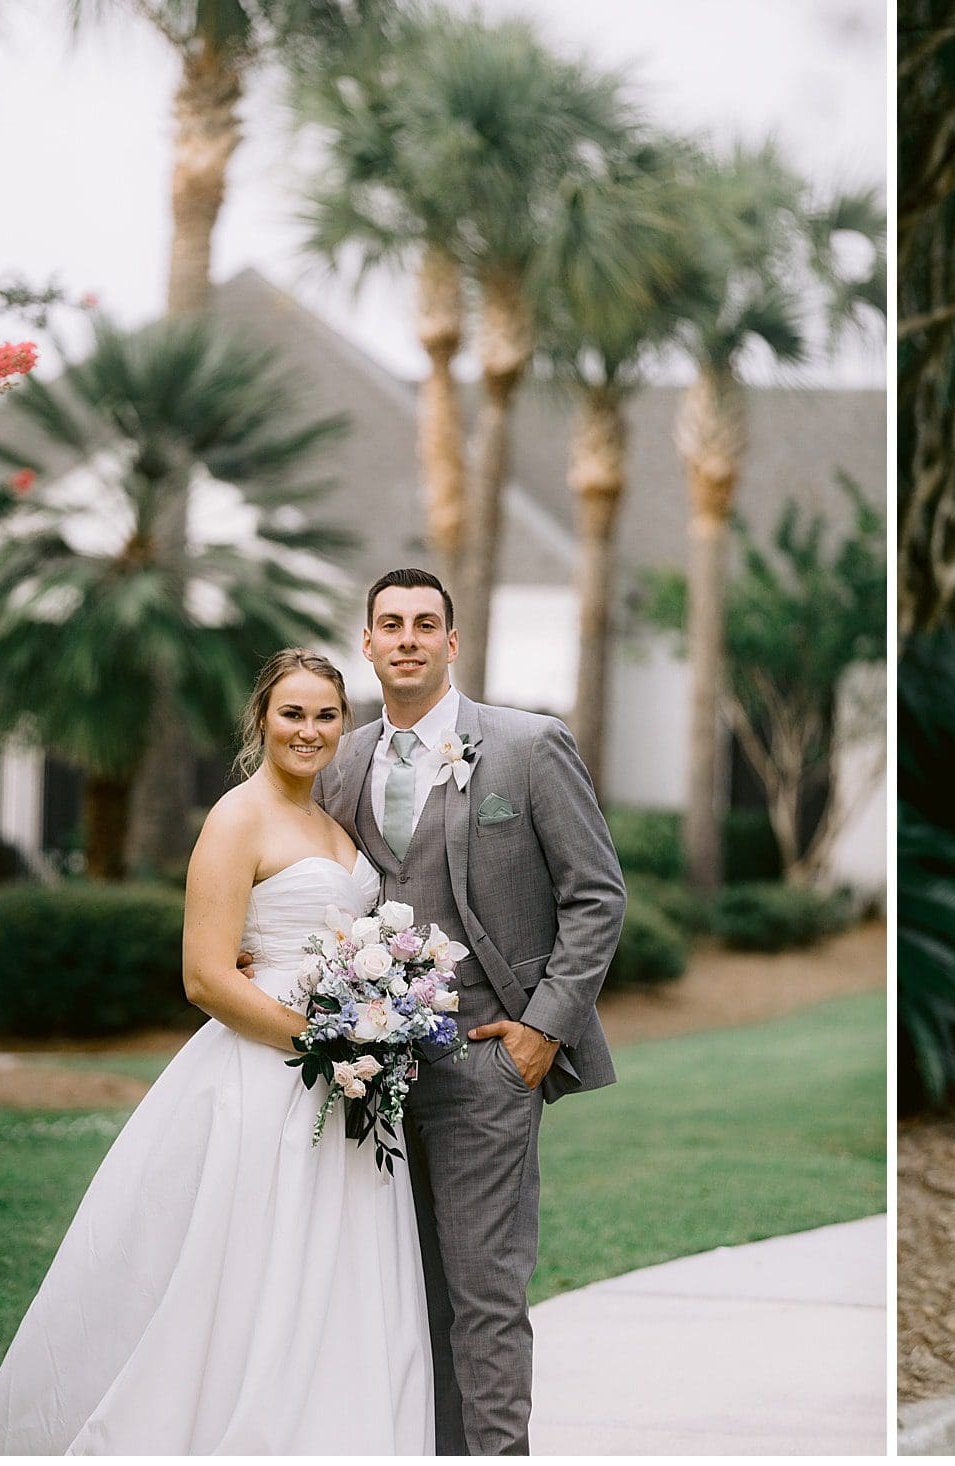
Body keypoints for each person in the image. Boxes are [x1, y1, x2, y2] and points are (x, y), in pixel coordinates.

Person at [0, 650, 434, 1453]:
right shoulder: (236, 817)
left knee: (340, 1277)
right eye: (292, 713)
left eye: (325, 715)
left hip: (348, 1087)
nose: (309, 730)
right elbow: (207, 978)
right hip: (268, 1076)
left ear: (342, 726)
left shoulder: (334, 824)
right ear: (261, 720)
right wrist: (332, 1041)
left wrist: (374, 1027)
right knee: (248, 1270)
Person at [310, 567, 625, 1456]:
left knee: (485, 1297)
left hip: (490, 1065)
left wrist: (540, 1033)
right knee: (404, 1297)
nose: (406, 638)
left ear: (452, 642)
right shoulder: (342, 763)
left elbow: (596, 895)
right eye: (389, 624)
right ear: (366, 644)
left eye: (425, 624)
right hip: (373, 1078)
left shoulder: (527, 747)